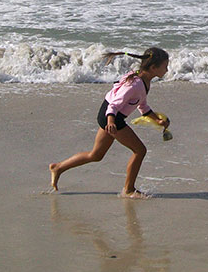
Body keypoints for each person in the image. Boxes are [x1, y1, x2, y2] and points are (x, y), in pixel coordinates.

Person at [49, 48, 170, 198]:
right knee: (140, 150)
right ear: (153, 68)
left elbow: (142, 106)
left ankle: (58, 167)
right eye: (165, 66)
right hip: (112, 116)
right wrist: (111, 120)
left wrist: (156, 119)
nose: (167, 69)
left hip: (109, 115)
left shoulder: (144, 80)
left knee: (96, 155)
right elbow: (114, 103)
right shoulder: (135, 84)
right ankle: (129, 189)